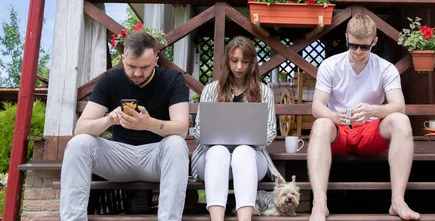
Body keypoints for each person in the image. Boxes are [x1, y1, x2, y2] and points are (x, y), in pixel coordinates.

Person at [60, 31, 190, 221]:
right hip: (118, 157)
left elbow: (182, 128)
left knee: (177, 145)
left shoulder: (173, 80)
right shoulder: (110, 79)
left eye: (144, 67)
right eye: (131, 66)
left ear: (156, 59)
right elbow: (80, 128)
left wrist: (149, 124)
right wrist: (108, 120)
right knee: (79, 143)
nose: (137, 73)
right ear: (123, 59)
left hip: (156, 158)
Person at [308, 14, 420, 221]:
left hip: (370, 131)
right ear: (346, 37)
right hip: (338, 131)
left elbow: (399, 106)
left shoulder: (386, 68)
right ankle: (320, 204)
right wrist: (333, 115)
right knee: (321, 123)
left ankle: (397, 201)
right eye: (353, 45)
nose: (358, 52)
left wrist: (373, 110)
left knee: (401, 121)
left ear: (374, 42)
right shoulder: (330, 65)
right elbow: (317, 107)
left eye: (364, 47)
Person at [191, 36, 283, 221]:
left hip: (251, 158)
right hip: (211, 158)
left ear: (252, 63)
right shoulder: (211, 90)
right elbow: (198, 129)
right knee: (218, 151)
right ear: (227, 61)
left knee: (243, 151)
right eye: (234, 61)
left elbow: (271, 130)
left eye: (245, 61)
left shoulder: (263, 91)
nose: (239, 67)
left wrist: (250, 139)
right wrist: (213, 138)